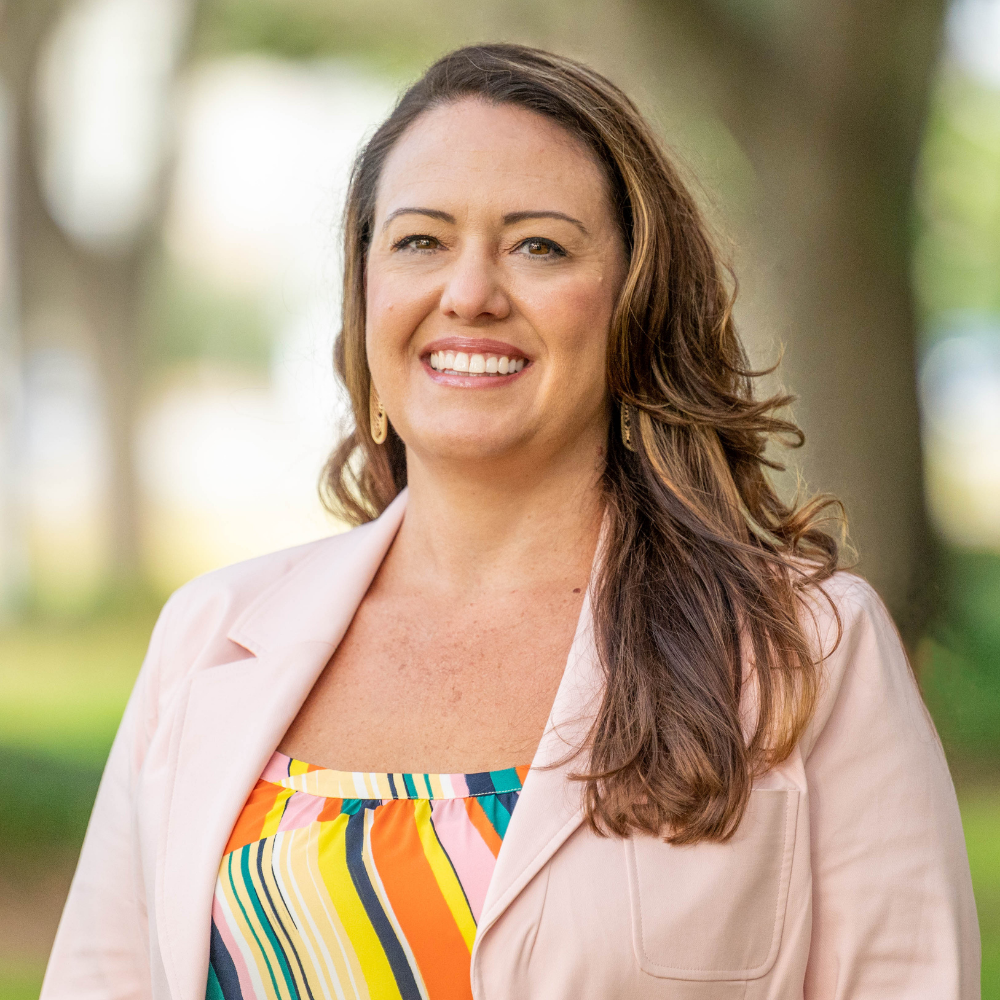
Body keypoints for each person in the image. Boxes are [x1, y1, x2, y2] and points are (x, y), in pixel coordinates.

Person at [41, 43, 979, 1000]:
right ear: (365, 291)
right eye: (419, 241)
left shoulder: (806, 651)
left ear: (633, 303)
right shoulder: (206, 640)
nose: (470, 293)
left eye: (539, 245)